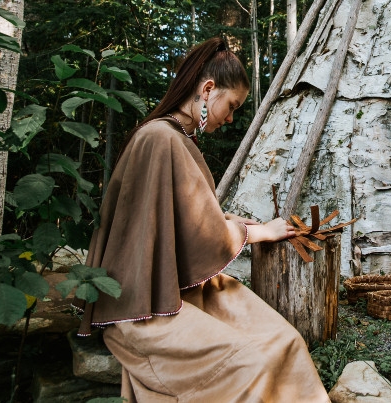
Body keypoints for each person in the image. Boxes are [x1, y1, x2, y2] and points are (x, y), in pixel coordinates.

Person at [73, 37, 330, 403]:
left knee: (284, 339)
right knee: (250, 361)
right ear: (208, 89)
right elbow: (203, 232)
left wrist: (231, 220)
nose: (229, 118)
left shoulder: (172, 137)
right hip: (146, 308)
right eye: (232, 106)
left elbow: (178, 220)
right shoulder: (160, 139)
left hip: (175, 290)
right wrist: (258, 232)